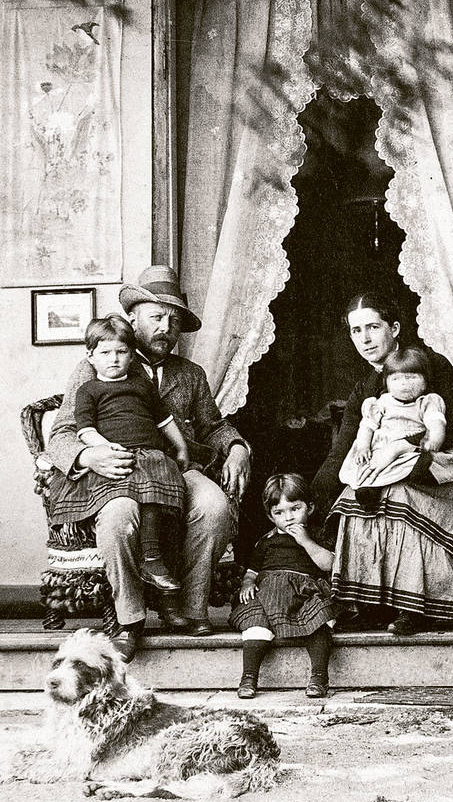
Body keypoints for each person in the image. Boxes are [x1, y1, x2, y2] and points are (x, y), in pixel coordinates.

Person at [45, 265, 251, 658]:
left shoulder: (190, 374)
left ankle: (189, 609)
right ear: (133, 318)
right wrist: (90, 455)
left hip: (175, 468)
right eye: (156, 317)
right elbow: (63, 433)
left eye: (174, 321)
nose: (165, 328)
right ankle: (130, 619)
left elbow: (213, 425)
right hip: (117, 468)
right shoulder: (98, 364)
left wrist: (238, 447)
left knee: (214, 507)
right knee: (119, 517)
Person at [313, 291, 453, 636]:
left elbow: (451, 430)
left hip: (447, 461)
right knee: (353, 497)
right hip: (395, 467)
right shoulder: (366, 387)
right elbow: (345, 448)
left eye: (373, 327)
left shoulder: (431, 364)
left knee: (400, 496)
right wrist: (316, 494)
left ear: (395, 328)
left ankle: (417, 606)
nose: (365, 339)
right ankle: (372, 603)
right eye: (356, 330)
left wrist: (401, 446)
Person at [74, 313, 191, 593]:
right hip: (117, 458)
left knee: (161, 500)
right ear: (91, 357)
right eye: (105, 353)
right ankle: (150, 560)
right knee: (135, 501)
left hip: (151, 456)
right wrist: (104, 448)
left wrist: (181, 446)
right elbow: (84, 429)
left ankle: (157, 567)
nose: (114, 359)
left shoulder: (141, 385)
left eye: (121, 352)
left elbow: (164, 420)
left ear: (131, 355)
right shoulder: (88, 390)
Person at [230, 473, 338, 700]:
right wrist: (248, 583)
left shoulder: (316, 535)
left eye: (295, 509)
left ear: (310, 508)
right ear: (270, 516)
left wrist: (306, 542)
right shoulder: (266, 542)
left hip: (305, 592)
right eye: (279, 512)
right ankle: (248, 677)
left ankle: (319, 677)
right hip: (269, 593)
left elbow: (329, 564)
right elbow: (252, 571)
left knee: (319, 621)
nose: (288, 518)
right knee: (255, 623)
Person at [337, 345, 453, 507]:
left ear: (425, 383)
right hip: (383, 445)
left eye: (411, 377)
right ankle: (369, 489)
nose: (404, 384)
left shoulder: (426, 402)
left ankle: (421, 475)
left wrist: (435, 438)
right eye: (396, 379)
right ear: (387, 383)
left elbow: (436, 422)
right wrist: (363, 446)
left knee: (420, 461)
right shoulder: (381, 403)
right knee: (368, 466)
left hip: (412, 447)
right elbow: (367, 426)